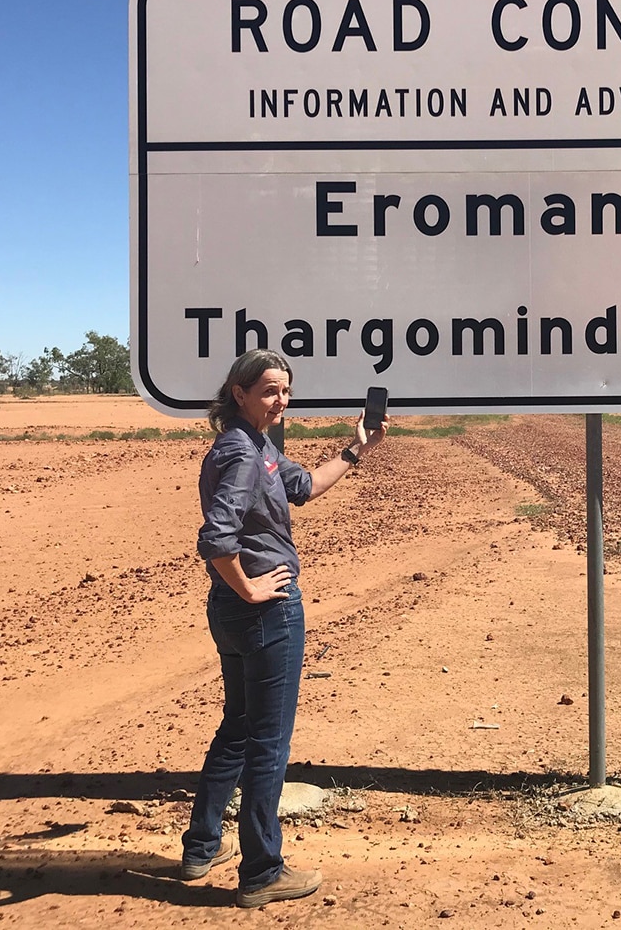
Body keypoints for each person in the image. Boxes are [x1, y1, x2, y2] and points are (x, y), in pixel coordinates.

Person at [178, 348, 386, 907]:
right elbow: (216, 537)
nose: (281, 400)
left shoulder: (255, 445)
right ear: (239, 392)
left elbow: (305, 487)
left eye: (286, 390)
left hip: (231, 608)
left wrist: (355, 450)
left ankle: (201, 845)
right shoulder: (242, 453)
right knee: (268, 742)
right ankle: (262, 871)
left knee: (240, 726)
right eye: (270, 390)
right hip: (263, 610)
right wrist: (249, 587)